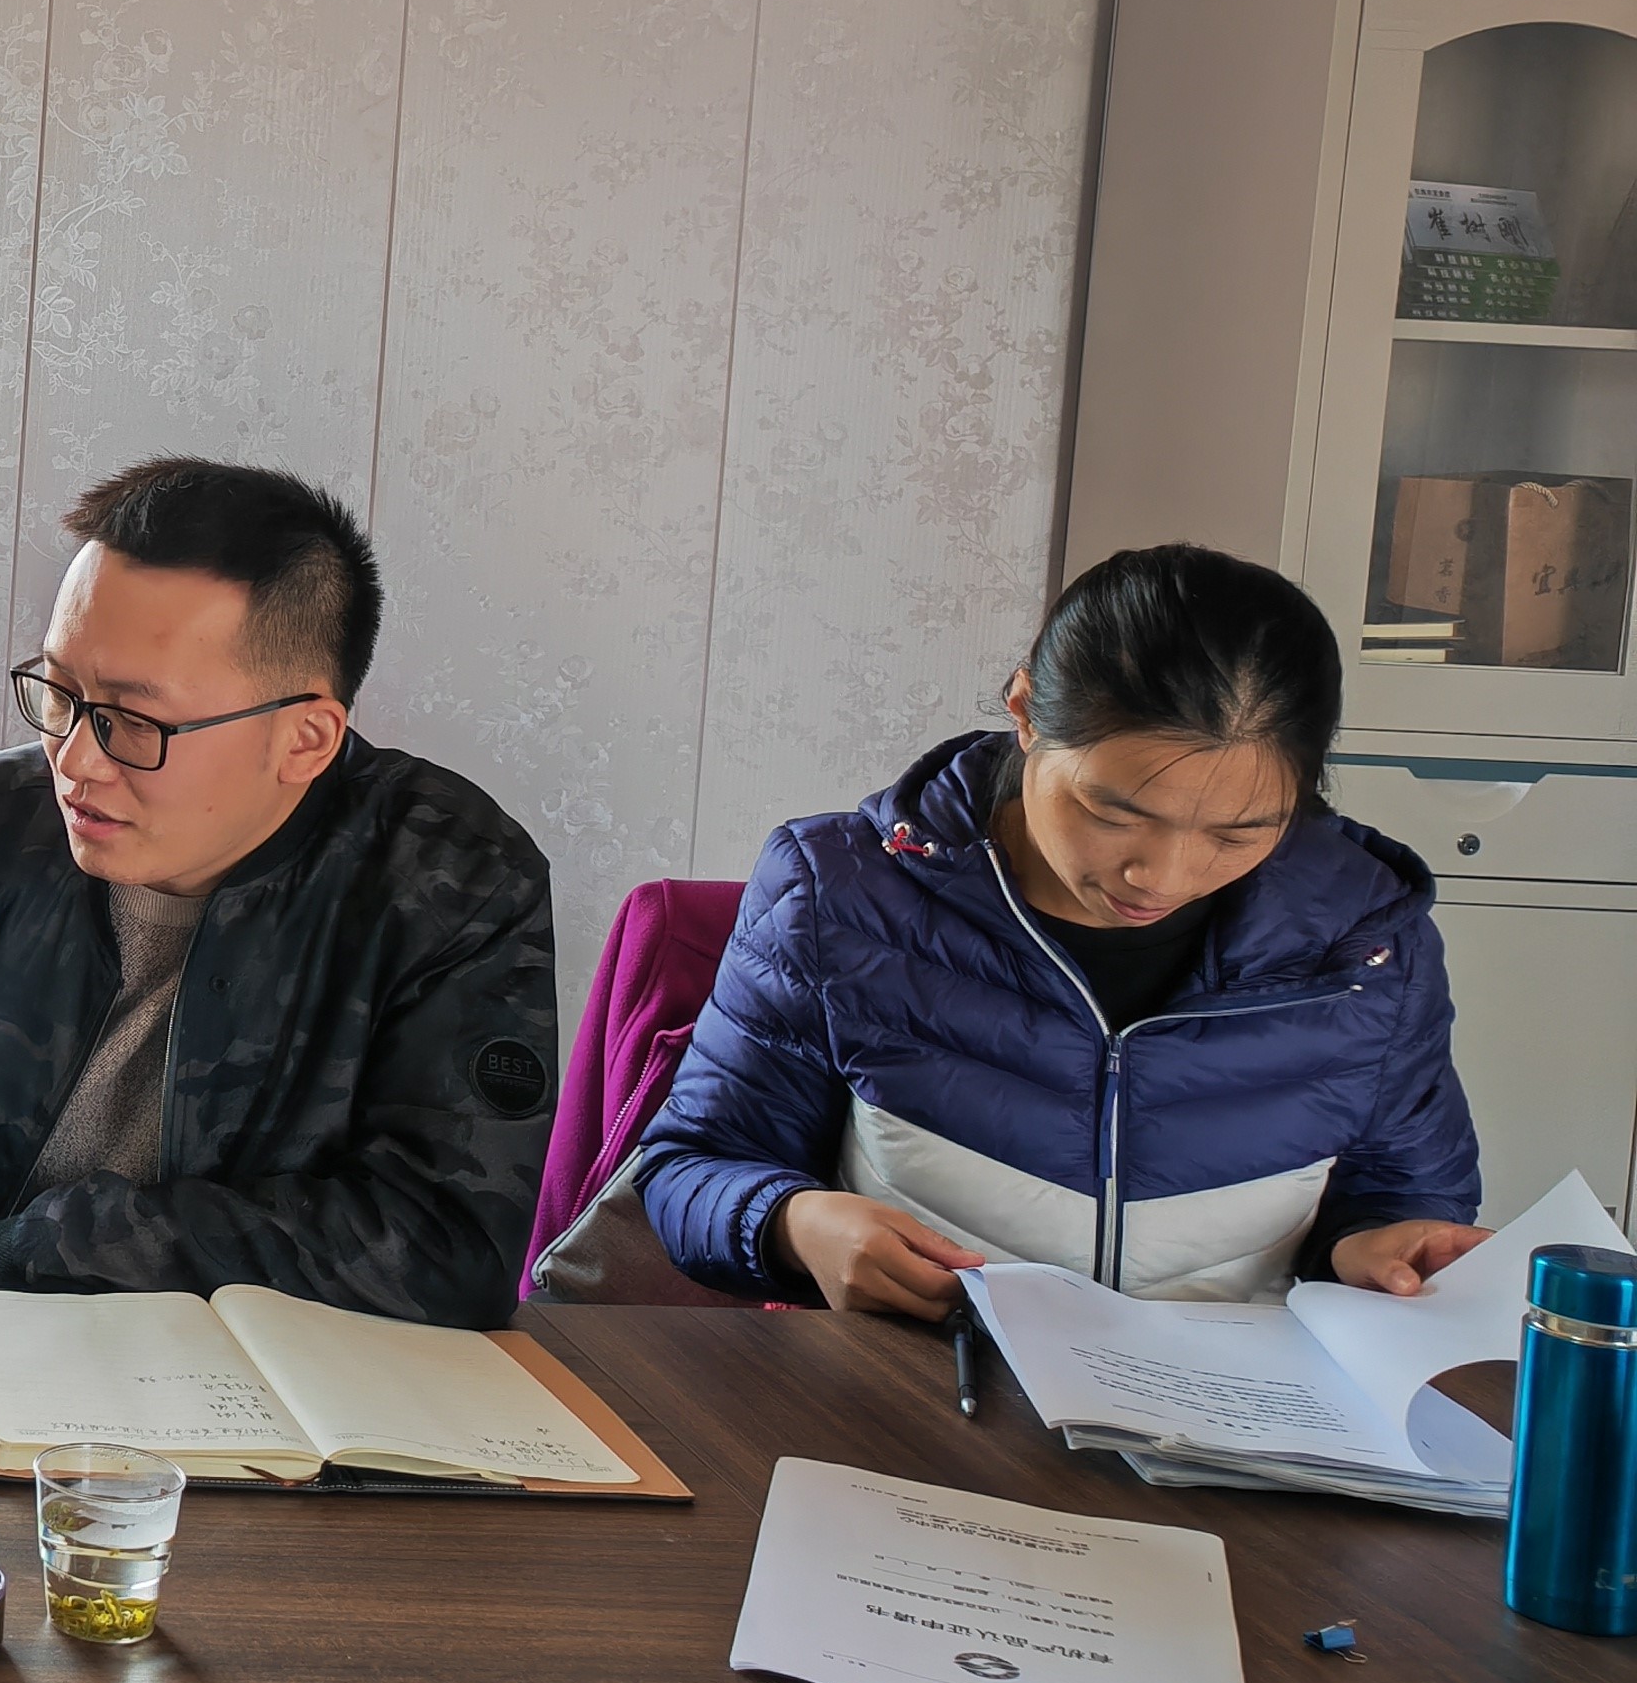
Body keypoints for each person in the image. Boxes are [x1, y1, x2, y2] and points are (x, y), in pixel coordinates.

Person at [0, 457, 559, 1324]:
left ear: (305, 739)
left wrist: (59, 1250)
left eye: (132, 720)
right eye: (61, 693)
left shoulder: (452, 884)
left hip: (275, 1394)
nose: (75, 761)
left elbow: (449, 1245)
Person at [635, 543, 1484, 1314]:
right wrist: (790, 1222)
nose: (1162, 876)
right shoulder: (842, 894)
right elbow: (692, 1166)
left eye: (1237, 834)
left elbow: (1405, 1196)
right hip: (920, 1394)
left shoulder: (1368, 947)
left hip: (1233, 1410)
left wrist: (1373, 1247)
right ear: (1026, 709)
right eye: (1114, 813)